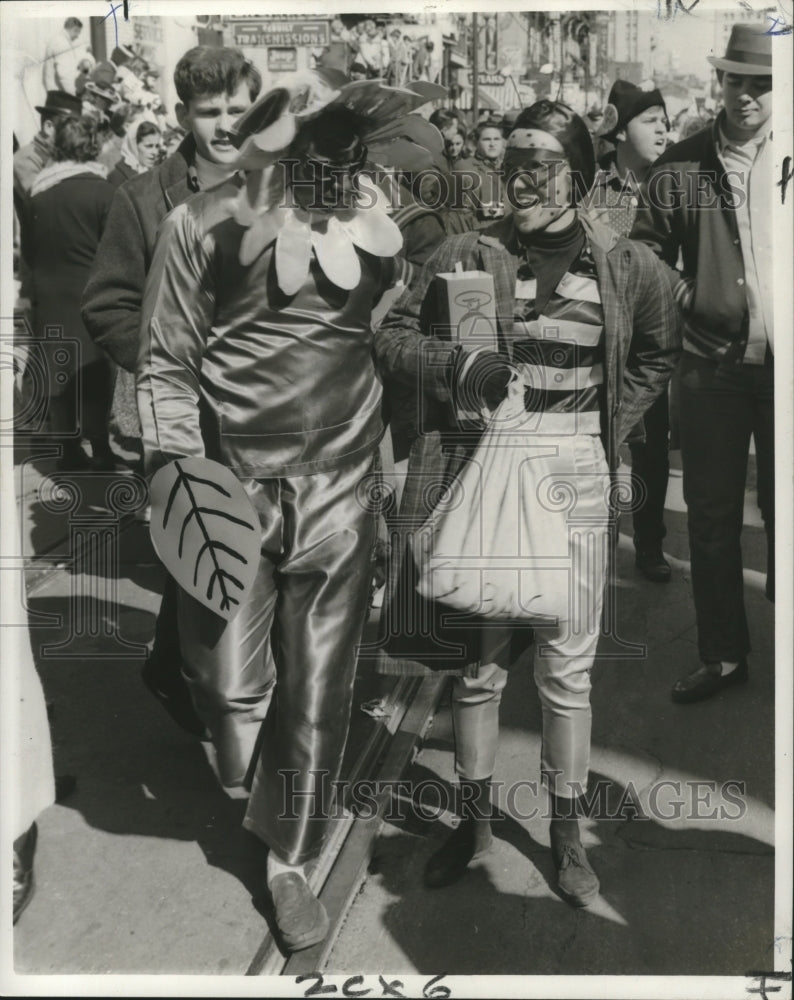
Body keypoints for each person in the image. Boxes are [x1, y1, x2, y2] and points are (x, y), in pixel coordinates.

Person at [137, 83, 422, 951]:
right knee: (228, 687)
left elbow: (404, 319)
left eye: (356, 160)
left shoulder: (381, 225)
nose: (346, 175)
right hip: (230, 483)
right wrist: (183, 482)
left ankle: (288, 859)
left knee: (319, 681)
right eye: (326, 159)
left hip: (340, 482)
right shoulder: (201, 224)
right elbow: (164, 365)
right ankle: (234, 745)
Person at [373, 100, 680, 905]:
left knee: (565, 672)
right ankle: (471, 824)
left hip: (574, 470)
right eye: (511, 164)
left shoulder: (623, 263)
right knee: (476, 671)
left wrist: (617, 425)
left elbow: (657, 347)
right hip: (488, 470)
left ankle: (566, 835)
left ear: (578, 171)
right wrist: (455, 373)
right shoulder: (469, 252)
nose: (522, 180)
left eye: (541, 164)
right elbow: (394, 335)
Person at [81, 46, 262, 737]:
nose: (224, 125)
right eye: (209, 112)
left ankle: (233, 698)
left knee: (257, 566)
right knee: (205, 562)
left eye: (238, 110)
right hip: (189, 422)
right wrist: (175, 361)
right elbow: (108, 306)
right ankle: (198, 689)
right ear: (184, 114)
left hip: (273, 421)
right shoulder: (145, 196)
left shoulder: (286, 186)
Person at [631, 25, 774, 704]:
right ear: (720, 83)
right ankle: (722, 655)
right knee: (713, 518)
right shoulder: (682, 166)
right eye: (737, 80)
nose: (747, 95)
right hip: (710, 366)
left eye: (764, 82)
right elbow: (645, 253)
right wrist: (692, 295)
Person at [584, 80, 673, 583]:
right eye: (650, 120)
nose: (662, 128)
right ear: (619, 132)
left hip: (652, 342)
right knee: (602, 442)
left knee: (652, 446)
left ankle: (650, 544)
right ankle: (595, 537)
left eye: (665, 121)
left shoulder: (672, 188)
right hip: (603, 335)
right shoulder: (593, 189)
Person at [23, 116, 115, 471]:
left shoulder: (39, 193)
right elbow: (114, 251)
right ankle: (102, 449)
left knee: (58, 373)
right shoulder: (105, 192)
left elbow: (29, 253)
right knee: (94, 372)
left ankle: (66, 449)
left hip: (49, 295)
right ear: (92, 146)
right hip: (90, 293)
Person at [466, 118, 506, 228]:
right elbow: (465, 215)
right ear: (476, 142)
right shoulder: (468, 168)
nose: (492, 144)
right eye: (487, 139)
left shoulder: (507, 168)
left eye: (497, 139)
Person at [42, 17, 93, 95]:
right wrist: (74, 94)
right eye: (78, 33)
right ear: (74, 29)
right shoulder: (61, 43)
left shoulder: (60, 40)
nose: (77, 36)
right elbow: (64, 74)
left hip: (58, 91)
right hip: (60, 93)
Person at [107, 118, 162, 186]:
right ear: (134, 146)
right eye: (149, 146)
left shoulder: (153, 173)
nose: (155, 152)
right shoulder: (117, 177)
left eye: (157, 146)